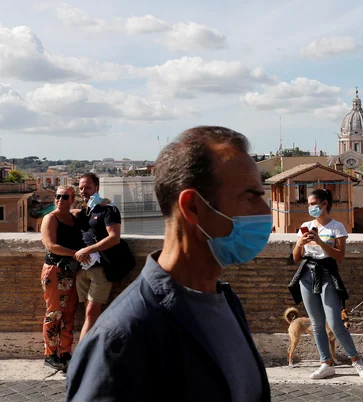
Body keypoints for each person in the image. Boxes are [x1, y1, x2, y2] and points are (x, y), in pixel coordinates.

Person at [66, 126, 272, 401]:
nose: (266, 211)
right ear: (193, 207)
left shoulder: (228, 304)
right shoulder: (121, 339)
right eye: (250, 196)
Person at [288, 188, 363, 380]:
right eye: (308, 204)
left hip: (327, 274)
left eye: (312, 204)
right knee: (317, 323)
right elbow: (296, 257)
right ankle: (326, 363)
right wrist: (301, 242)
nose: (309, 207)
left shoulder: (337, 227)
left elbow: (339, 256)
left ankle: (356, 360)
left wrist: (319, 242)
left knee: (335, 323)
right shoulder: (305, 225)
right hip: (307, 274)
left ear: (323, 204)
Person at [73, 172, 120, 341]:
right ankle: (93, 352)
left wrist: (88, 250)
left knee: (92, 315)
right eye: (81, 188)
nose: (84, 191)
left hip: (100, 270)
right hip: (83, 269)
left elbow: (114, 237)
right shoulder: (82, 213)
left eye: (88, 187)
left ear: (97, 188)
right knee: (89, 315)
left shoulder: (109, 209)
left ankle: (81, 360)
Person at [39, 186, 83, 371]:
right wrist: (77, 253)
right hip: (56, 271)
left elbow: (90, 210)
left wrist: (104, 203)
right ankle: (50, 355)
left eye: (65, 197)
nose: (60, 200)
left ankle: (65, 352)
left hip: (71, 272)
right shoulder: (50, 218)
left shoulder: (73, 216)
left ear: (72, 199)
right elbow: (51, 246)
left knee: (68, 314)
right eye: (57, 196)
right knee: (54, 312)